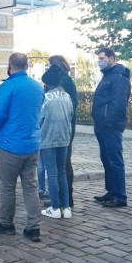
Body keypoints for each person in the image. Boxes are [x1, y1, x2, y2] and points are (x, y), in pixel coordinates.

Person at [0, 52, 44, 242]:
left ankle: (6, 223)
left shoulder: (8, 86)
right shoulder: (37, 86)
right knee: (30, 186)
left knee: (8, 186)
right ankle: (33, 227)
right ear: (26, 66)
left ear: (10, 65)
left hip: (11, 144)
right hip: (32, 143)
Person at [91, 47, 131, 208]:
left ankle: (120, 196)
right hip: (102, 124)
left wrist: (108, 121)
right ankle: (112, 191)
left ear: (111, 58)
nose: (100, 61)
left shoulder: (119, 77)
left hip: (111, 126)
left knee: (115, 160)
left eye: (102, 58)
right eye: (99, 58)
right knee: (107, 159)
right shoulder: (108, 76)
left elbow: (119, 103)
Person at [39, 66, 74, 219]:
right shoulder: (67, 96)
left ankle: (54, 207)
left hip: (48, 138)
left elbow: (39, 119)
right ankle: (66, 208)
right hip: (64, 138)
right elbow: (72, 115)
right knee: (62, 172)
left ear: (47, 83)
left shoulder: (46, 98)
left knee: (51, 173)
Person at [49, 55, 78, 207]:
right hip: (66, 126)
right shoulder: (65, 81)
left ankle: (65, 197)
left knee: (63, 163)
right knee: (63, 163)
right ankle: (64, 196)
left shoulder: (64, 82)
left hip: (63, 127)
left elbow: (70, 106)